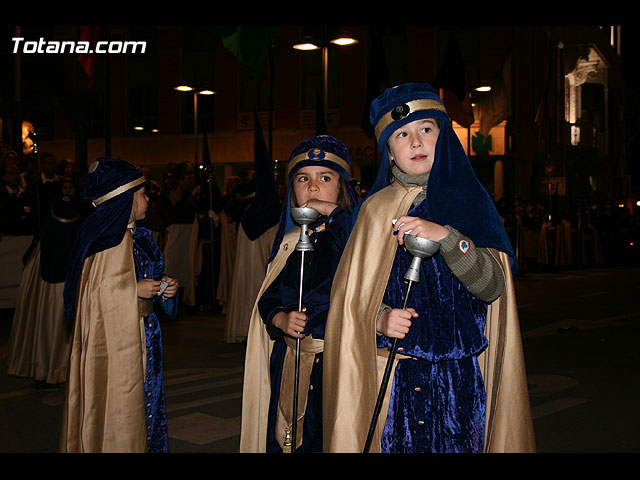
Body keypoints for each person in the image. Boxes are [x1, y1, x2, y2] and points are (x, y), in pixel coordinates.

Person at [323, 83, 535, 453]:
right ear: (389, 152)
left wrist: (449, 238)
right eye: (402, 134)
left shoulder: (470, 204)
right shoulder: (374, 212)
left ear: (446, 139)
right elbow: (351, 300)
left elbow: (492, 287)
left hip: (462, 377)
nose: (416, 142)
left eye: (426, 130)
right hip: (398, 375)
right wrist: (379, 318)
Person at [240, 135, 356, 453]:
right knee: (288, 438)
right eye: (304, 179)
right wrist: (279, 317)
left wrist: (335, 214)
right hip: (289, 361)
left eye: (325, 178)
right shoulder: (291, 242)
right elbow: (269, 295)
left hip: (333, 365)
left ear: (342, 187)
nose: (313, 187)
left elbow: (360, 248)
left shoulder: (350, 237)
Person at [60, 157, 178, 453]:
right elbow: (92, 298)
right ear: (124, 198)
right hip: (116, 345)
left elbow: (156, 291)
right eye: (142, 193)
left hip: (147, 337)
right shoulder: (104, 244)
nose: (148, 199)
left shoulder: (143, 240)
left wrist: (165, 291)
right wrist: (133, 290)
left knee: (147, 402)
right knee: (120, 401)